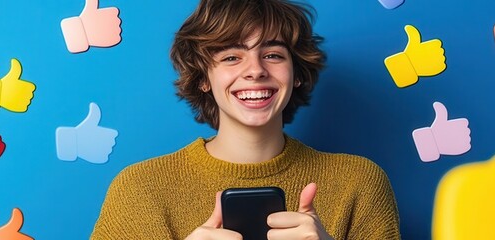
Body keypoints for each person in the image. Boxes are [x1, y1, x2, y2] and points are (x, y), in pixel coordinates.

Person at [91, 0, 400, 239]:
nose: (255, 70)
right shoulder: (139, 191)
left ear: (296, 76)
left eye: (273, 55)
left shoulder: (360, 183)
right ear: (203, 79)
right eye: (231, 57)